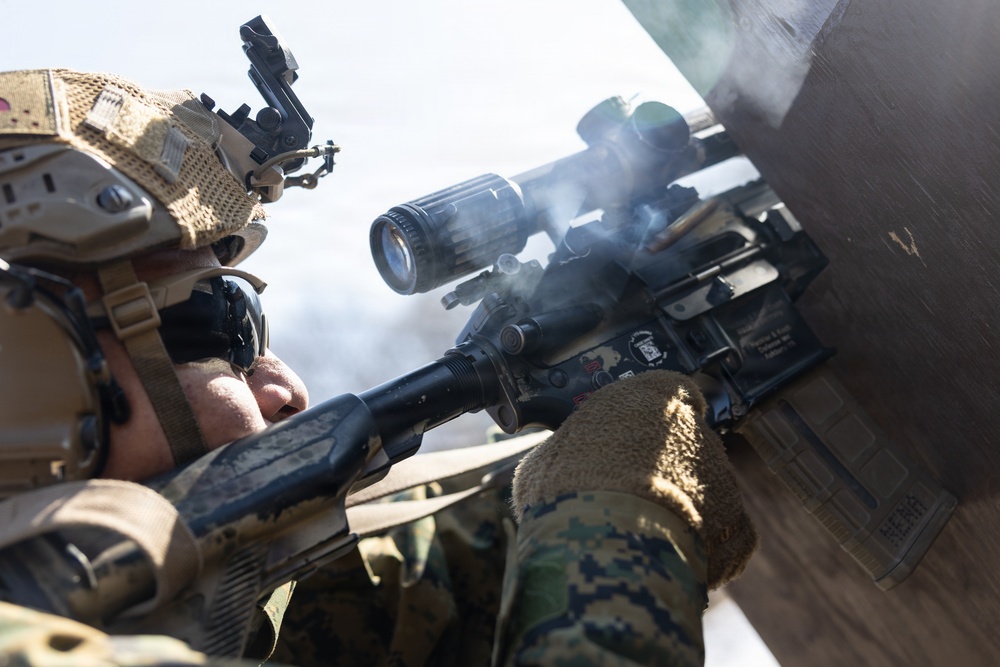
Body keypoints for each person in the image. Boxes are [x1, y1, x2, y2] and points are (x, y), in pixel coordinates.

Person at [0, 66, 759, 666]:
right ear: (25, 373)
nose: (285, 388)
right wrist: (622, 524)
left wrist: (575, 454)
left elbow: (401, 581)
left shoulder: (168, 599)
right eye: (218, 321)